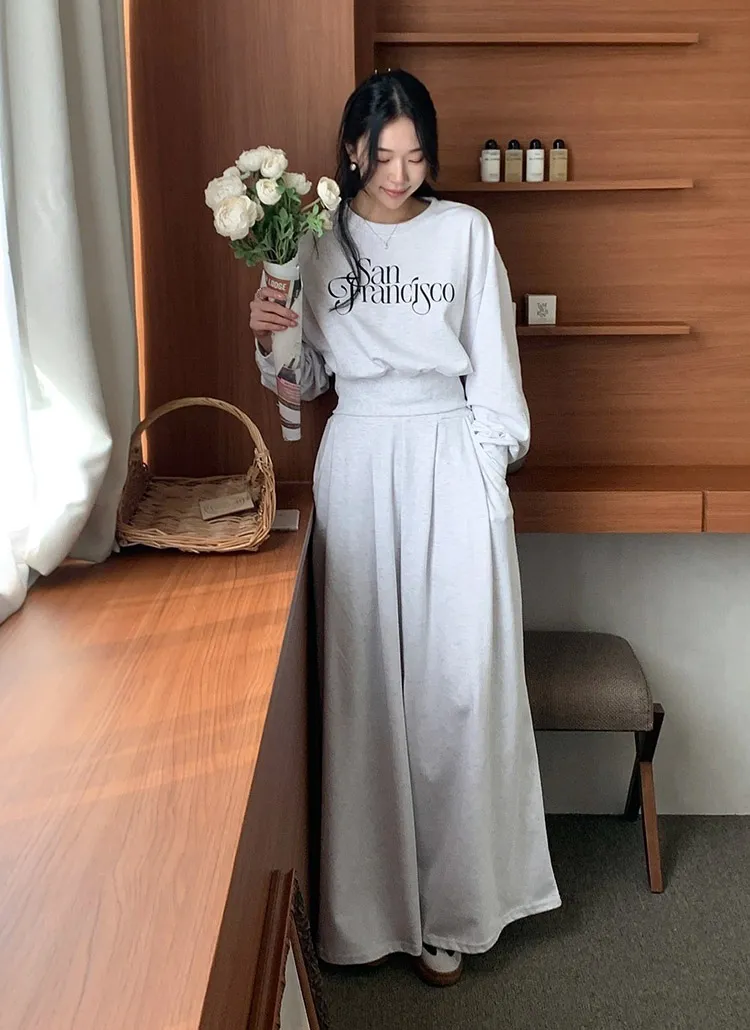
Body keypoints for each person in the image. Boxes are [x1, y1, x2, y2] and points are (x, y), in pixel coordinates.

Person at [250, 69, 560, 988]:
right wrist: (268, 331)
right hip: (358, 457)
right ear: (353, 149)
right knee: (366, 691)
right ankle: (374, 912)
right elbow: (303, 382)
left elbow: (495, 368)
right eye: (382, 156)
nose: (398, 174)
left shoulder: (464, 232)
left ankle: (457, 909)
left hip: (448, 452)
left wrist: (487, 468)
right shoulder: (313, 238)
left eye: (416, 155)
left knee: (456, 684)